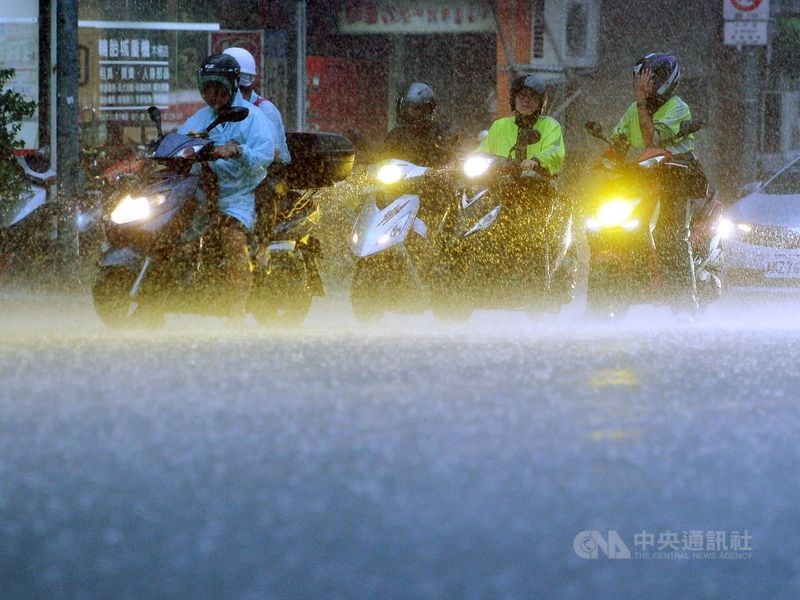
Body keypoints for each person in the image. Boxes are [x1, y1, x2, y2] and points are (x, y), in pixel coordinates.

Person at [178, 53, 275, 323]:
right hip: (202, 193)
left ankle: (236, 312)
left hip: (239, 194)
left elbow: (264, 159)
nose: (212, 94)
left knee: (233, 241)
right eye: (207, 88)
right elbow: (179, 142)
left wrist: (237, 150)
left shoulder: (254, 119)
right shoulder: (199, 119)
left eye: (218, 87)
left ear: (233, 86)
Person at [610, 51, 707, 312]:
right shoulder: (634, 109)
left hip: (674, 181)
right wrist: (606, 158)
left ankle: (686, 305)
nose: (640, 85)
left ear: (664, 81)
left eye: (647, 79)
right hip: (640, 182)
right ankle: (602, 302)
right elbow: (618, 142)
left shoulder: (677, 108)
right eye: (638, 79)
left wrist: (641, 102)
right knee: (605, 227)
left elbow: (653, 138)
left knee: (670, 236)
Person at [222, 47, 290, 258]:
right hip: (235, 171)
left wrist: (240, 151)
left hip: (269, 172)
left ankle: (261, 248)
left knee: (264, 190)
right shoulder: (218, 109)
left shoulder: (264, 110)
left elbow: (273, 156)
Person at [475, 73, 565, 176]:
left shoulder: (550, 126)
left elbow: (555, 152)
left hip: (538, 185)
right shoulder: (499, 126)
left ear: (540, 103)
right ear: (514, 99)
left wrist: (537, 161)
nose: (526, 100)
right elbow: (482, 152)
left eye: (533, 96)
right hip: (499, 184)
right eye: (522, 95)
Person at [379, 81, 457, 168]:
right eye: (408, 108)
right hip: (402, 180)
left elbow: (454, 160)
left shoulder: (441, 133)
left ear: (428, 109)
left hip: (434, 180)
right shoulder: (397, 134)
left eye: (416, 108)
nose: (410, 112)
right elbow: (381, 159)